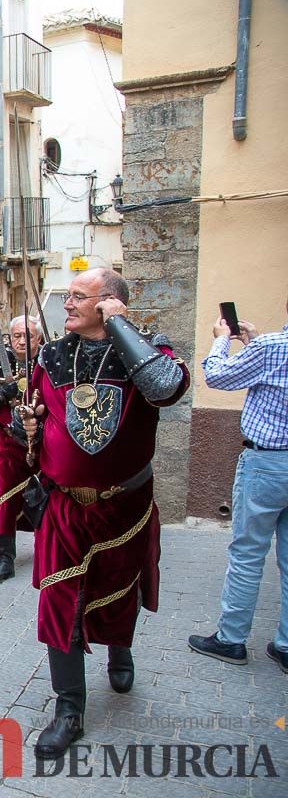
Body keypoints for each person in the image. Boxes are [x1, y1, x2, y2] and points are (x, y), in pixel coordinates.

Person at [18, 269, 190, 759]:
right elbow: (36, 418)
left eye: (78, 297)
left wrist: (120, 326)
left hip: (123, 505)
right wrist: (26, 422)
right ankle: (69, 709)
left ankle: (119, 645)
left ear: (109, 303)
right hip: (65, 505)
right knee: (58, 601)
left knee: (117, 590)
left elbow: (165, 389)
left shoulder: (146, 348)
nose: (66, 304)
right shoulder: (52, 355)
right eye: (67, 296)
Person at [188, 296, 288, 674]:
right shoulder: (266, 347)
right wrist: (253, 344)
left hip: (267, 463)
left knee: (248, 554)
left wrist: (221, 339)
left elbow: (218, 376)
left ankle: (231, 639)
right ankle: (286, 645)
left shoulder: (271, 347)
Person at [0, 315, 44, 583]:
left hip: (43, 442)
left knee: (46, 499)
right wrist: (3, 394)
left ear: (38, 338)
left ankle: (47, 551)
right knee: (3, 500)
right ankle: (6, 559)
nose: (21, 340)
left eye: (27, 335)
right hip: (6, 443)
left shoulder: (51, 364)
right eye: (16, 335)